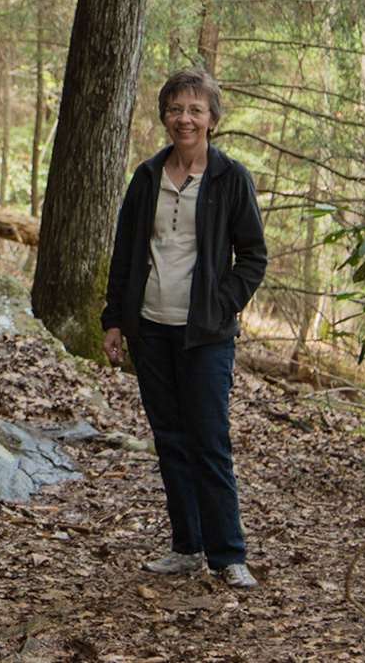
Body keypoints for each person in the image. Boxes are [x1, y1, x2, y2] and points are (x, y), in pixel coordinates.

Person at [100, 67, 267, 590]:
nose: (185, 118)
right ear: (164, 117)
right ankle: (186, 547)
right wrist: (113, 320)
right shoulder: (147, 175)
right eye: (176, 109)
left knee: (208, 442)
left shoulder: (230, 178)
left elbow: (253, 257)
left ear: (212, 119)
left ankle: (228, 554)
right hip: (150, 330)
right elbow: (126, 252)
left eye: (195, 109)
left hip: (206, 337)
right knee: (170, 441)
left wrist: (220, 304)